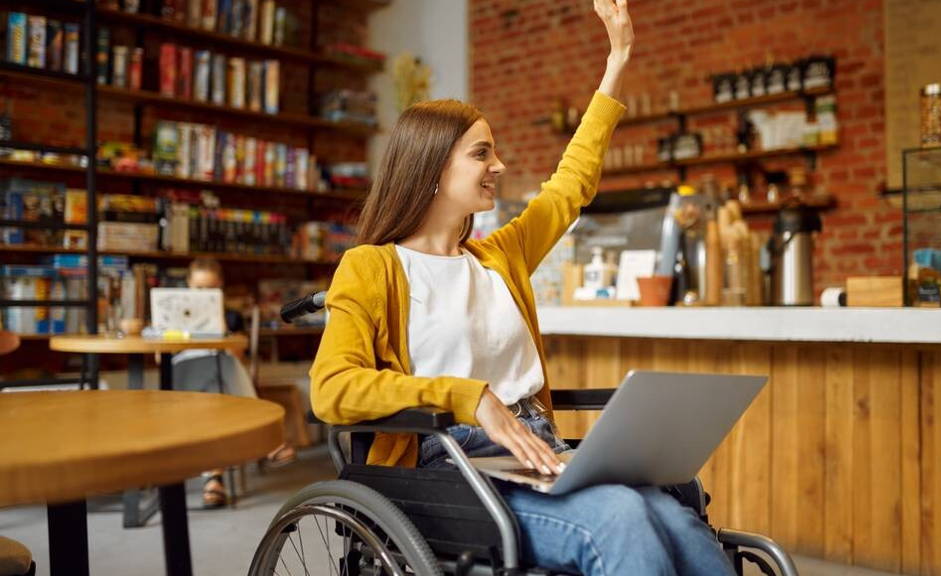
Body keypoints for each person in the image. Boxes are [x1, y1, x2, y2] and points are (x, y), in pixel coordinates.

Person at [309, 1, 734, 573]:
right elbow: (332, 389)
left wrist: (616, 63)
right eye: (481, 153)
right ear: (432, 170)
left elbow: (570, 186)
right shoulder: (371, 267)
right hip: (446, 464)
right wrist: (469, 395)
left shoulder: (498, 256)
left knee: (673, 516)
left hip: (534, 446)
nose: (500, 165)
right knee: (621, 518)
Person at [177, 258, 296, 509]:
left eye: (210, 289)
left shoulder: (229, 317)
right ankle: (267, 437)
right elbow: (159, 358)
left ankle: (214, 481)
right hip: (183, 377)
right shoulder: (173, 314)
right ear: (188, 284)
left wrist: (218, 322)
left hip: (218, 382)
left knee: (221, 374)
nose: (203, 294)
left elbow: (237, 356)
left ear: (219, 286)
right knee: (221, 367)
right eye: (198, 288)